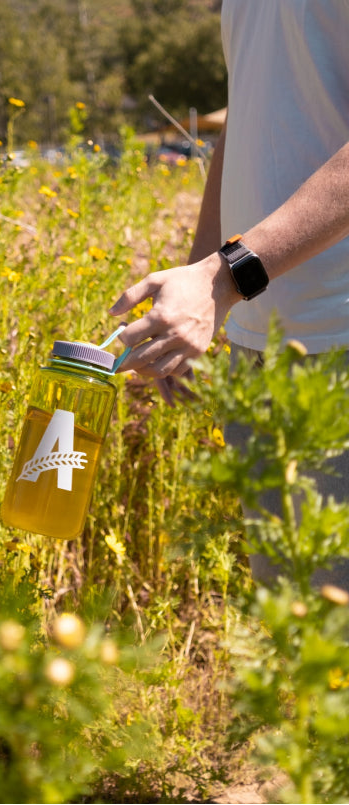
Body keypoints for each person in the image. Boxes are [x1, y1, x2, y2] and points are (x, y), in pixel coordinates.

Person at [109, 0, 349, 590]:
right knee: (299, 633)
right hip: (259, 342)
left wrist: (223, 279)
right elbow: (248, 117)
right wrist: (198, 290)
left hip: (338, 342)